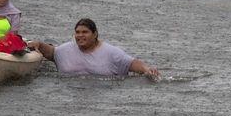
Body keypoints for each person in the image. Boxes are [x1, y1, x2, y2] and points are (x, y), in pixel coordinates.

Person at [28, 18, 160, 79]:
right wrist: (38, 44)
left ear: (95, 34)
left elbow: (131, 63)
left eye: (85, 32)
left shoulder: (111, 52)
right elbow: (51, 52)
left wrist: (147, 69)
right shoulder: (64, 50)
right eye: (77, 32)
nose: (80, 36)